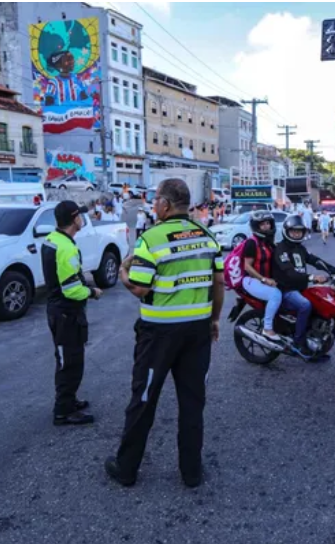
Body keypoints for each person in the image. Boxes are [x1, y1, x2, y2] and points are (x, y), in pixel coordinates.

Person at [105, 178, 225, 488]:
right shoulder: (208, 235)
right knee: (192, 401)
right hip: (198, 331)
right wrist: (214, 320)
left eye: (156, 199)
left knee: (143, 399)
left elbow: (140, 286)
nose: (153, 204)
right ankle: (192, 473)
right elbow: (219, 283)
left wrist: (122, 273)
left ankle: (127, 468)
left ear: (166, 205)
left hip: (159, 334)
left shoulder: (152, 239)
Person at [41, 201, 103, 426]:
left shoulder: (53, 240)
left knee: (67, 359)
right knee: (71, 362)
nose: (83, 220)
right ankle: (63, 410)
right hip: (67, 313)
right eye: (80, 216)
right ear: (74, 218)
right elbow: (71, 289)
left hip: (58, 311)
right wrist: (93, 291)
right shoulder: (66, 247)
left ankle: (69, 400)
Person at [272, 216, 335, 355]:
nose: (296, 234)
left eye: (299, 232)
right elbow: (288, 272)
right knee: (305, 305)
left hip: (301, 288)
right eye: (293, 231)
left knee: (321, 302)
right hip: (286, 289)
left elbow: (315, 260)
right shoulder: (280, 248)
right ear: (286, 232)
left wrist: (334, 270)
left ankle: (314, 338)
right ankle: (298, 342)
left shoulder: (300, 248)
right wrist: (312, 277)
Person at [241, 211, 282, 341]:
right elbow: (247, 266)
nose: (266, 227)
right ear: (256, 226)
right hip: (251, 280)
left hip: (266, 280)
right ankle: (267, 328)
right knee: (275, 294)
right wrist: (263, 279)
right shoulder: (252, 243)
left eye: (268, 223)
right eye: (262, 224)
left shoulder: (268, 242)